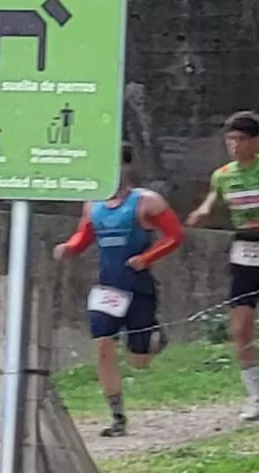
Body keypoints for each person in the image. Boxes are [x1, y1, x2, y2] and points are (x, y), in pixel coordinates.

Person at [52, 143, 184, 437]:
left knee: (139, 362)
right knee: (102, 343)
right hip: (107, 287)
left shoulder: (146, 201)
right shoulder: (93, 203)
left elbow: (175, 235)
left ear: (126, 167)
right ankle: (117, 415)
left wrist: (146, 258)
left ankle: (154, 338)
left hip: (137, 286)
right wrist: (68, 248)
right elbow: (84, 236)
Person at [187, 110, 259, 422]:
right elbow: (214, 197)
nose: (234, 145)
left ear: (254, 141)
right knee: (240, 327)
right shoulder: (223, 174)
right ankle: (256, 398)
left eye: (240, 139)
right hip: (244, 248)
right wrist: (203, 211)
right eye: (230, 139)